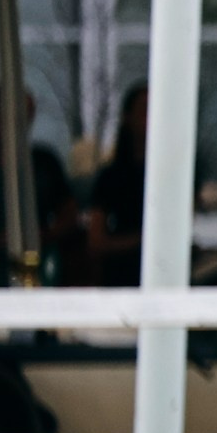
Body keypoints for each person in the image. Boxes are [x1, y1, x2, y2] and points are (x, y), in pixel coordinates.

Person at [85, 84, 149, 286]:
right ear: (128, 117)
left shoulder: (176, 177)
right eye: (146, 109)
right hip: (125, 274)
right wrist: (142, 240)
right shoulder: (112, 177)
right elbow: (95, 241)